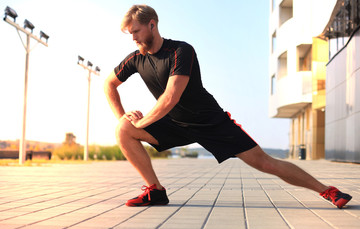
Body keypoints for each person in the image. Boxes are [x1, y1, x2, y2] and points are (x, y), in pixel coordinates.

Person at [104, 4, 352, 208]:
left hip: (209, 120)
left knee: (265, 162)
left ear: (152, 25)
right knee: (123, 130)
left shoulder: (181, 51)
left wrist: (142, 121)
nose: (133, 38)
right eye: (130, 34)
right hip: (173, 122)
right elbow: (109, 84)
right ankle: (156, 191)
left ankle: (328, 191)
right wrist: (122, 117)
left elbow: (171, 97)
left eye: (136, 31)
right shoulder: (136, 58)